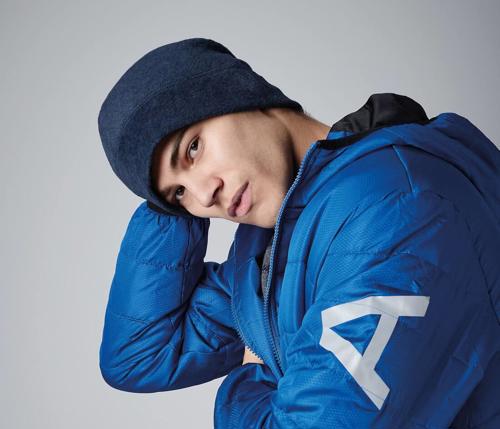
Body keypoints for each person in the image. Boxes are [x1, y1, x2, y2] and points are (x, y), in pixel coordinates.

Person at [97, 37, 500, 428]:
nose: (205, 194)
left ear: (238, 95)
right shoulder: (266, 250)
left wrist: (246, 383)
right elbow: (137, 357)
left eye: (193, 149)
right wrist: (162, 200)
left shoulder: (395, 214)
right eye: (179, 193)